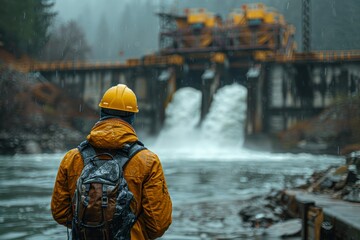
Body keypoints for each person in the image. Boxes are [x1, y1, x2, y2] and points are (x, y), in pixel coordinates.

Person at [51, 84, 172, 239]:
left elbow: (60, 213)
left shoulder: (72, 158)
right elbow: (158, 224)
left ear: (101, 113)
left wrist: (93, 227)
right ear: (132, 117)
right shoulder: (148, 161)